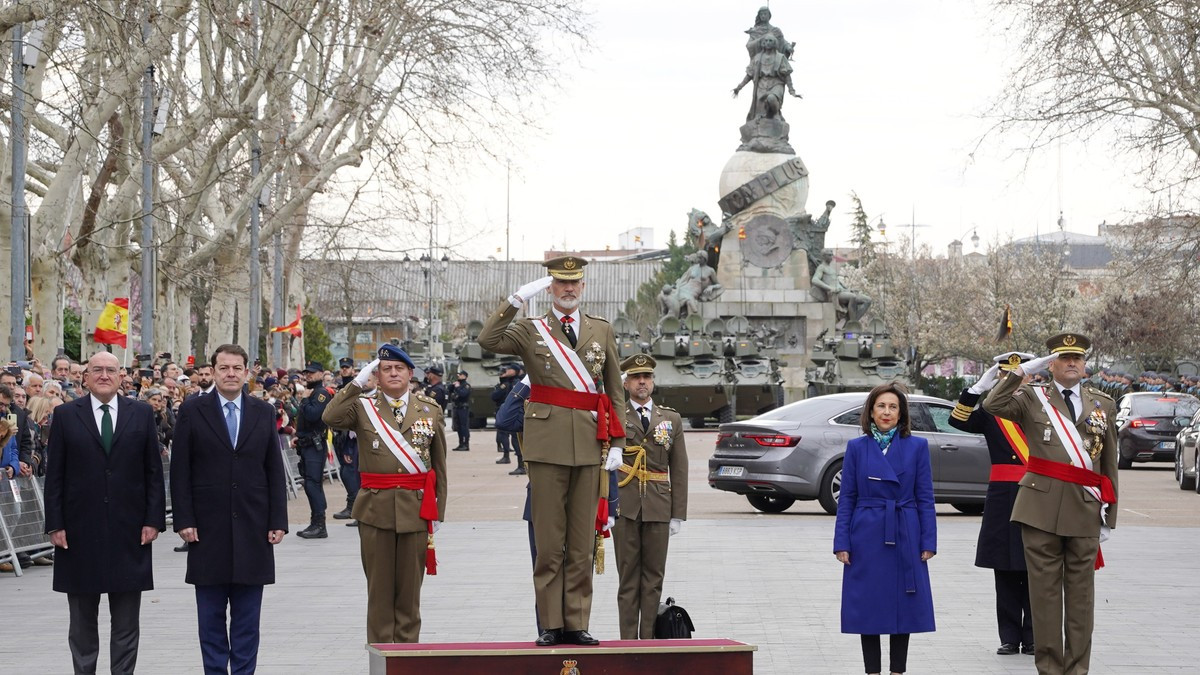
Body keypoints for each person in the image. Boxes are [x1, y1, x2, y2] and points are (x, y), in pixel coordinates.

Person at [478, 255, 625, 647]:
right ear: (550, 287)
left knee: (580, 542)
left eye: (575, 283)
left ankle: (576, 622)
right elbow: (488, 340)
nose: (569, 289)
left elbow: (614, 390)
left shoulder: (601, 330)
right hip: (546, 446)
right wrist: (515, 300)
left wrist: (620, 443)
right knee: (548, 543)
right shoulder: (531, 330)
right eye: (561, 283)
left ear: (584, 286)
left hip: (591, 445)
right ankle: (550, 623)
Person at [982, 333, 1118, 675]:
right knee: (1043, 599)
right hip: (1039, 510)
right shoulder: (1032, 398)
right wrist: (1022, 371)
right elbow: (992, 405)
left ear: (1085, 364)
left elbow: (1110, 463)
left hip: (1086, 509)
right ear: (1051, 364)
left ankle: (1077, 669)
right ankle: (1049, 669)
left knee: (1081, 600)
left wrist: (1109, 516)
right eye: (1064, 357)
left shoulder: (1104, 404)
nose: (1072, 362)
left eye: (1077, 357)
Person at [42, 351, 166, 675]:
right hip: (79, 534)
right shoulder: (67, 415)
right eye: (96, 369)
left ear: (121, 375)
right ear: (85, 376)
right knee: (82, 623)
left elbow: (153, 471)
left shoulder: (140, 414)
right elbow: (54, 475)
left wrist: (154, 519)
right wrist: (54, 523)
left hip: (130, 532)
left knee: (126, 624)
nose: (104, 375)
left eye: (111, 370)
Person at [170, 344, 288, 674]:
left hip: (253, 529)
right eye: (224, 368)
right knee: (210, 621)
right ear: (213, 371)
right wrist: (184, 519)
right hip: (207, 531)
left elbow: (273, 468)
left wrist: (278, 518)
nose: (231, 374)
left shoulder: (263, 412)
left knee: (247, 623)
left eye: (237, 368)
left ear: (247, 372)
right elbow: (180, 470)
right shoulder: (193, 410)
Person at [321, 343, 448, 644]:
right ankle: (382, 661)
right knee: (379, 595)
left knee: (409, 595)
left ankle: (408, 659)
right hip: (375, 511)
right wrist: (355, 383)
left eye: (398, 368)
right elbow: (330, 416)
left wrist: (438, 513)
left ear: (409, 373)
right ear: (376, 376)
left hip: (416, 512)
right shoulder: (363, 408)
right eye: (385, 369)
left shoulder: (429, 410)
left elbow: (439, 467)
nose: (393, 373)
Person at [833, 382, 936, 675]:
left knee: (903, 602)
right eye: (881, 406)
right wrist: (842, 542)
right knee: (868, 605)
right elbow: (847, 498)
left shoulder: (917, 446)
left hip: (905, 530)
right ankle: (872, 671)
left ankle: (897, 671)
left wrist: (928, 540)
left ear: (901, 412)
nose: (887, 412)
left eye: (893, 406)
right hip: (866, 534)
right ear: (871, 411)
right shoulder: (857, 447)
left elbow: (925, 497)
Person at [949, 351, 1036, 656]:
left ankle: (1034, 636)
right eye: (1003, 375)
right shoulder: (990, 410)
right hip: (1002, 496)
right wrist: (975, 389)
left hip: (1037, 493)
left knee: (1035, 565)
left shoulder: (1042, 406)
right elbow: (956, 420)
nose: (1009, 380)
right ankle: (1010, 636)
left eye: (1017, 374)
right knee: (1005, 566)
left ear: (1031, 375)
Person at [613, 354, 688, 639]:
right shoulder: (617, 415)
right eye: (635, 377)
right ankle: (627, 643)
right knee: (628, 580)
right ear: (626, 382)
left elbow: (679, 468)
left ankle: (648, 641)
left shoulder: (670, 419)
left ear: (653, 381)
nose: (642, 382)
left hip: (658, 506)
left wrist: (678, 513)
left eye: (647, 377)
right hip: (625, 506)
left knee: (654, 579)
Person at [293, 361, 334, 539]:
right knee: (310, 483)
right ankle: (315, 522)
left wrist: (305, 399)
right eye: (307, 373)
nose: (308, 376)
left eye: (312, 373)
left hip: (315, 445)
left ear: (320, 374)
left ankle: (319, 524)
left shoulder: (321, 394)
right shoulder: (312, 393)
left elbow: (312, 415)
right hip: (306, 443)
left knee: (313, 484)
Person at [332, 358, 362, 523]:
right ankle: (352, 506)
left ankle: (356, 508)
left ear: (352, 369)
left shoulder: (354, 387)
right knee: (346, 471)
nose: (344, 370)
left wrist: (350, 446)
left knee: (350, 473)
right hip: (341, 435)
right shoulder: (342, 386)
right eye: (342, 367)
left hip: (351, 436)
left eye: (347, 367)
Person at [492, 363, 520, 463]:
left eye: (509, 369)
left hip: (513, 412)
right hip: (508, 411)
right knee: (509, 436)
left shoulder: (515, 383)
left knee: (515, 438)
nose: (506, 371)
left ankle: (520, 465)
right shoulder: (510, 382)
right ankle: (508, 457)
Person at [448, 371, 471, 451]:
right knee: (458, 427)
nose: (458, 375)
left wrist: (457, 387)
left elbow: (463, 394)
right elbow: (449, 390)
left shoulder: (466, 385)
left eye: (460, 375)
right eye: (458, 374)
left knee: (464, 426)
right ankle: (461, 443)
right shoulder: (457, 384)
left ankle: (466, 444)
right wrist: (452, 385)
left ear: (465, 376)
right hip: (457, 407)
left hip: (463, 408)